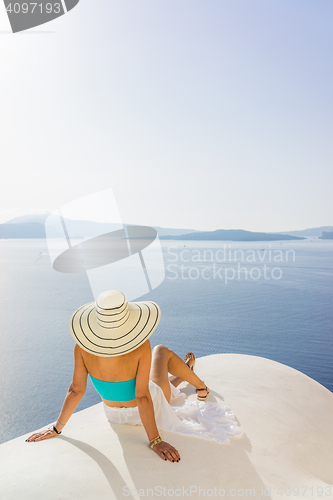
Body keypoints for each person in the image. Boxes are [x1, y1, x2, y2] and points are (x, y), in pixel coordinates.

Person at [25, 290, 211, 462]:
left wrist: (57, 428)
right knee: (161, 351)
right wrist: (155, 441)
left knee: (155, 380)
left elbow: (76, 390)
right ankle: (202, 387)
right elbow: (142, 396)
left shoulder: (82, 347)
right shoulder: (140, 346)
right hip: (146, 411)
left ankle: (183, 374)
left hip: (113, 415)